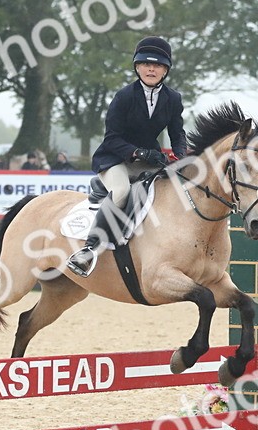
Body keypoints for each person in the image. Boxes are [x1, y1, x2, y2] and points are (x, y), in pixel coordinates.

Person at [65, 35, 188, 277]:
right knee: (121, 192)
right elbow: (111, 137)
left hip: (149, 161)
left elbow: (177, 133)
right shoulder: (124, 96)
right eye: (146, 64)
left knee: (173, 189)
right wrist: (137, 152)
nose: (151, 69)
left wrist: (181, 156)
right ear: (137, 67)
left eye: (157, 65)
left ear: (166, 70)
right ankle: (88, 250)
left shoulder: (173, 99)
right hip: (115, 159)